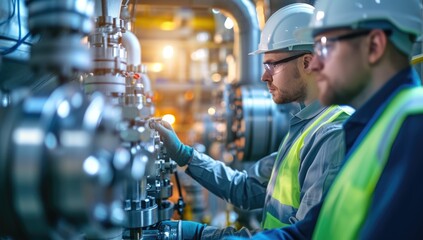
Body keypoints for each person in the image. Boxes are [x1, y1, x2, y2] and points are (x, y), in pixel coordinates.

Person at [151, 3, 351, 239]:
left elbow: (301, 237)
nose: (263, 76)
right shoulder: (304, 127)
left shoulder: (331, 135)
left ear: (307, 62)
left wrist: (201, 236)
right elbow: (245, 189)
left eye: (272, 65)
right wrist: (185, 156)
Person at [239, 0, 423, 239]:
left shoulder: (413, 128)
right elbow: (308, 231)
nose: (314, 63)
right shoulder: (368, 129)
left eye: (325, 46)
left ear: (374, 46)